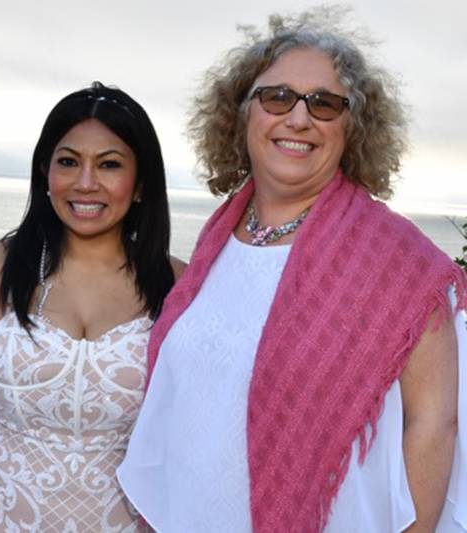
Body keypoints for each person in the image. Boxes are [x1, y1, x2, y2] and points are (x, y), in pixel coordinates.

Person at [117, 9, 467, 533]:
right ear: (242, 114)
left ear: (354, 128)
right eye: (277, 97)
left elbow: (433, 424)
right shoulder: (219, 239)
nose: (298, 119)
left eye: (324, 104)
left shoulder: (400, 265)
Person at [0, 82, 184, 532]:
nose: (85, 183)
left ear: (140, 184)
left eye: (109, 165)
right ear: (45, 172)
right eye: (68, 162)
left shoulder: (179, 286)